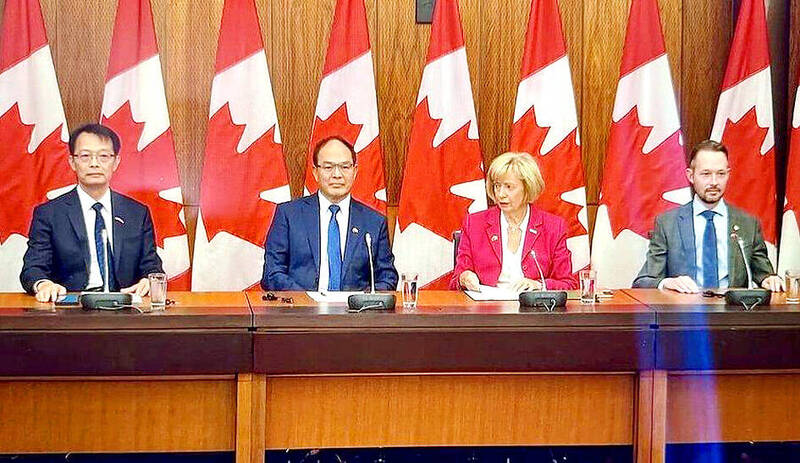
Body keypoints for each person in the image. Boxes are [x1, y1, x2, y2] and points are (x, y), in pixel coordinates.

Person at [20, 123, 163, 302]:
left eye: (104, 156)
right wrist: (44, 284)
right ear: (72, 162)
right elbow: (33, 268)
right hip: (71, 309)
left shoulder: (136, 213)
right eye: (85, 156)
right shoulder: (49, 214)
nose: (94, 163)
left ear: (116, 162)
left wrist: (148, 281)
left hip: (126, 310)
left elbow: (152, 266)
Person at [633, 140, 783, 293]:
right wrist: (667, 283)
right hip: (685, 312)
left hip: (733, 313)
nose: (714, 182)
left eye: (720, 174)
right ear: (690, 176)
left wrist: (769, 279)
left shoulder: (748, 224)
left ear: (728, 174)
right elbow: (643, 281)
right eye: (706, 174)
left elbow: (764, 274)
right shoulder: (667, 223)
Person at [262, 136, 398, 291]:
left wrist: (360, 300)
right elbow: (271, 273)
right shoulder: (289, 215)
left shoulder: (374, 222)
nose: (337, 175)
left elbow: (388, 277)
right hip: (301, 311)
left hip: (355, 313)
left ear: (355, 171)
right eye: (328, 167)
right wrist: (308, 301)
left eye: (345, 167)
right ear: (315, 172)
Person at [451, 151, 578, 291]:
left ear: (527, 187)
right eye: (497, 186)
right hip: (485, 309)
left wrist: (539, 285)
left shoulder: (553, 227)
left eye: (509, 187)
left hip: (533, 310)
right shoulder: (474, 224)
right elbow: (456, 279)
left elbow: (568, 284)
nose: (500, 194)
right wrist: (465, 277)